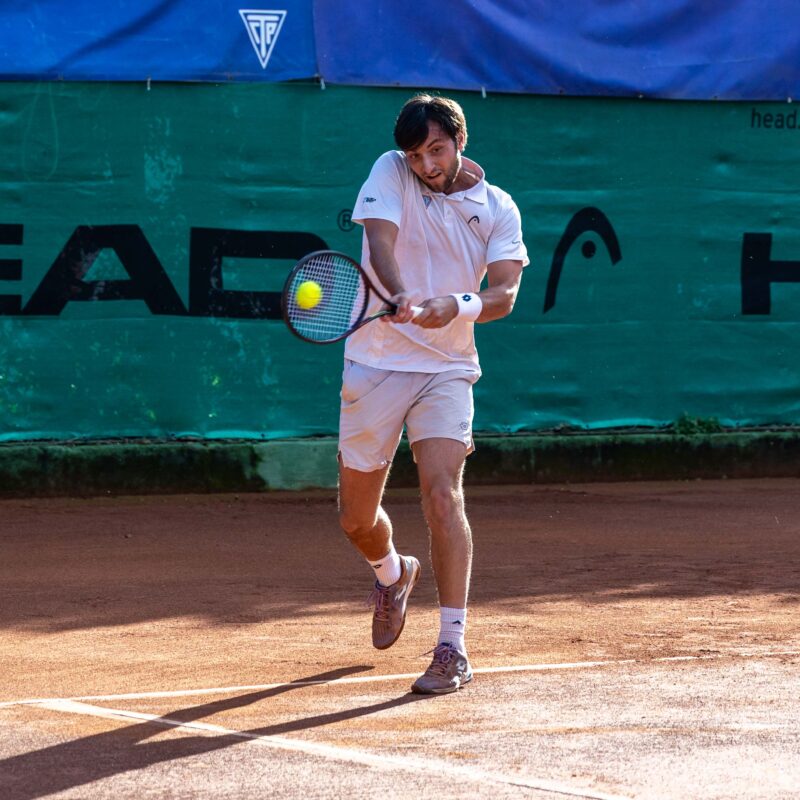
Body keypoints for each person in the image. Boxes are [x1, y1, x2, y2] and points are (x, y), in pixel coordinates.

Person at [337, 93, 528, 695]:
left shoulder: (498, 209)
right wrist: (399, 295)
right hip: (375, 362)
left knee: (443, 494)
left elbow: (504, 295)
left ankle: (452, 646)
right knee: (355, 519)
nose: (426, 163)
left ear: (459, 141)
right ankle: (392, 573)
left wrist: (455, 304)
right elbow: (382, 240)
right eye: (416, 153)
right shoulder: (389, 169)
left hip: (448, 366)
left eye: (436, 150)